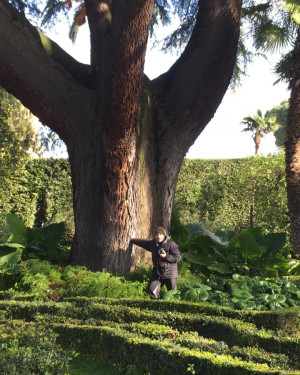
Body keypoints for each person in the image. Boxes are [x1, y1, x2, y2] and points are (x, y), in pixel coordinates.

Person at [130, 226, 181, 299]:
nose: (159, 236)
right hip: (157, 273)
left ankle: (174, 310)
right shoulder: (153, 243)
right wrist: (133, 240)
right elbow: (143, 243)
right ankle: (156, 307)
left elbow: (178, 258)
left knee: (173, 294)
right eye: (157, 234)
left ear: (164, 235)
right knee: (152, 291)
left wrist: (166, 256)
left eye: (161, 234)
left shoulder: (172, 244)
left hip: (170, 274)